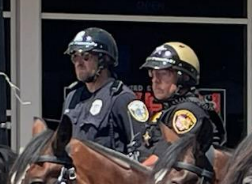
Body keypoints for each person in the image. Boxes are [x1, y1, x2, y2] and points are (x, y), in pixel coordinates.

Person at [61, 27, 147, 155]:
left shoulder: (122, 98)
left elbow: (141, 150)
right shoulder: (72, 97)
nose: (78, 63)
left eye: (85, 56)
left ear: (104, 60)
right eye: (74, 57)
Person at [137, 41, 225, 160]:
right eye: (152, 73)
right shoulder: (167, 112)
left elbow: (167, 161)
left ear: (184, 77)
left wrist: (127, 175)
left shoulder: (188, 111)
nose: (155, 80)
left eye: (163, 73)